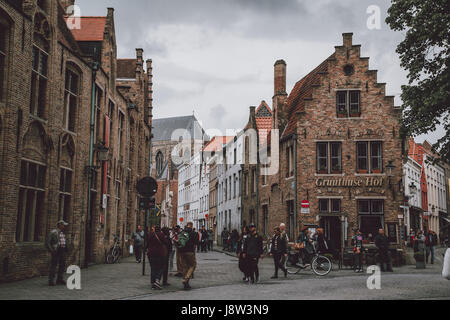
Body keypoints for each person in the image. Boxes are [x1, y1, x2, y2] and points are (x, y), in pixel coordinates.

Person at [176, 222, 199, 290]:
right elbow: (196, 243)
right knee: (192, 265)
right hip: (190, 251)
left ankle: (186, 284)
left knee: (185, 267)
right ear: (191, 226)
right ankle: (186, 279)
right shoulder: (193, 233)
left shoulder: (182, 232)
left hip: (181, 251)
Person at [46, 220, 69, 286]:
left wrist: (66, 249)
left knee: (62, 265)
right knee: (54, 265)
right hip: (56, 251)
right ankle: (51, 280)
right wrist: (52, 250)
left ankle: (59, 279)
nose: (64, 226)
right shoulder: (53, 232)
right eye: (63, 225)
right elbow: (47, 242)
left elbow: (64, 241)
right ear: (60, 225)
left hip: (63, 250)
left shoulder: (63, 233)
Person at [147, 225, 169, 290]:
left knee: (153, 268)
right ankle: (157, 279)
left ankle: (153, 284)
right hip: (160, 253)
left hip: (151, 253)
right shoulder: (161, 235)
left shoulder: (150, 234)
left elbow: (147, 243)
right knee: (162, 267)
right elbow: (166, 242)